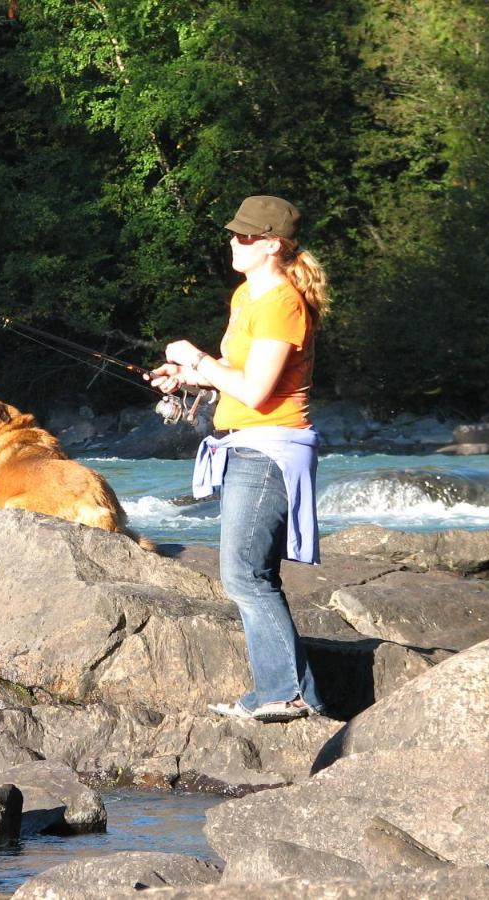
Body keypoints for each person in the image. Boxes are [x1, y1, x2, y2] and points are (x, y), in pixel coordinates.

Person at [148, 195, 329, 723]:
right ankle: (302, 695)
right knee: (253, 576)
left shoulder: (283, 303)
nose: (235, 242)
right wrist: (189, 376)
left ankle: (282, 695)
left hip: (270, 448)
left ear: (274, 244)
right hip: (245, 446)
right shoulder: (248, 294)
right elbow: (234, 368)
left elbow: (255, 390)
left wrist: (198, 359)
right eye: (234, 234)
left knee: (245, 577)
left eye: (247, 236)